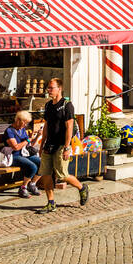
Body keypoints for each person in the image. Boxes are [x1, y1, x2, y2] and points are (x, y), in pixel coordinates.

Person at [35, 78, 89, 214]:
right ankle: (51, 202)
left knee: (62, 175)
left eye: (51, 88)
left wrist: (67, 146)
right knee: (46, 174)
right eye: (48, 88)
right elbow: (46, 125)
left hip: (61, 145)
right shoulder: (48, 106)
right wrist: (41, 145)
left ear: (59, 89)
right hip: (49, 144)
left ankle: (82, 188)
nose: (49, 90)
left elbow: (69, 126)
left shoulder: (67, 105)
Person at [0, 110, 41, 198]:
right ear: (18, 120)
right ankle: (23, 188)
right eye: (24, 122)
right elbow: (16, 147)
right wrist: (27, 140)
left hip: (24, 154)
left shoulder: (22, 130)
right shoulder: (9, 131)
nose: (25, 125)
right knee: (32, 167)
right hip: (13, 156)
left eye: (26, 123)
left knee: (43, 163)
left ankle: (32, 184)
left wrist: (37, 136)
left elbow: (30, 145)